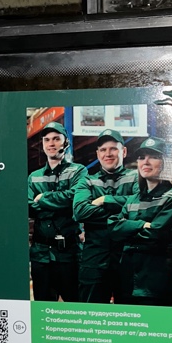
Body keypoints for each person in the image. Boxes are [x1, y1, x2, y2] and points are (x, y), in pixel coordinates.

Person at [110, 136, 172, 306]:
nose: (145, 162)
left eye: (153, 156)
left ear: (165, 163)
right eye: (141, 157)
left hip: (157, 283)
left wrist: (129, 229)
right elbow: (113, 229)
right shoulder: (133, 198)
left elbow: (157, 233)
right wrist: (142, 225)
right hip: (128, 281)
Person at [72, 129, 138, 303]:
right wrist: (122, 212)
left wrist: (105, 200)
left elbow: (140, 210)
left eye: (113, 148)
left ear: (124, 151)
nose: (108, 153)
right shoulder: (87, 181)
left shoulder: (137, 178)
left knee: (129, 315)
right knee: (92, 314)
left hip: (128, 260)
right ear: (98, 154)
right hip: (94, 261)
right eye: (103, 150)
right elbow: (80, 211)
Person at [28, 120, 87, 301]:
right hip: (41, 256)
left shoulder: (78, 171)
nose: (51, 144)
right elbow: (29, 207)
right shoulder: (34, 177)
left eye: (56, 139)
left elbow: (74, 199)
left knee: (75, 308)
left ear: (65, 142)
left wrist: (43, 199)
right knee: (43, 310)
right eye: (47, 140)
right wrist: (60, 204)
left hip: (70, 255)